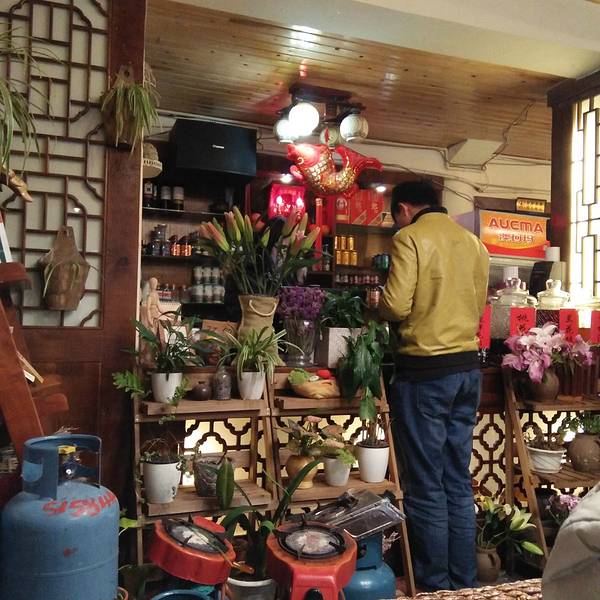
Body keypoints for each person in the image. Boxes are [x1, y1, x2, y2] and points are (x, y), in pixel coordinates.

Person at [379, 180, 489, 592]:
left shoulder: (409, 238)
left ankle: (434, 586)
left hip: (424, 372)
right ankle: (463, 583)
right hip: (468, 371)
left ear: (404, 209)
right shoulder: (474, 243)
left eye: (395, 215)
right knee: (456, 478)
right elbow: (478, 305)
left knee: (425, 482)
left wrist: (377, 305)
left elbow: (396, 305)